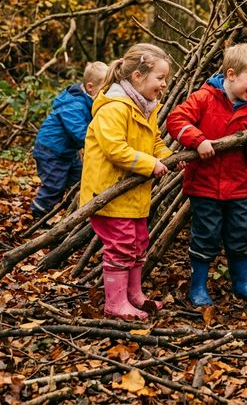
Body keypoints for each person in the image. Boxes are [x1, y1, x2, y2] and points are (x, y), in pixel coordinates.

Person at [80, 43, 181, 320]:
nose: (164, 84)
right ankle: (115, 303)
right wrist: (151, 164)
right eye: (160, 78)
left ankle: (133, 295)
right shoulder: (115, 107)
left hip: (134, 193)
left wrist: (168, 157)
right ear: (138, 76)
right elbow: (114, 149)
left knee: (138, 242)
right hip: (109, 192)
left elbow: (155, 141)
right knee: (122, 245)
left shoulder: (145, 106)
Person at [166, 43, 247, 307]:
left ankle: (241, 283)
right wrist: (198, 139)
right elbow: (175, 120)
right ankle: (198, 286)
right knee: (206, 234)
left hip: (236, 185)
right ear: (231, 75)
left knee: (240, 233)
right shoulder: (204, 98)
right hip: (204, 184)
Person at [30, 61, 108, 219]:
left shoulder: (88, 101)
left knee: (79, 180)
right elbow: (80, 133)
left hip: (68, 152)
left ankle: (76, 211)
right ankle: (37, 215)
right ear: (91, 87)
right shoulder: (73, 105)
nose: (106, 94)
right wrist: (104, 144)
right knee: (54, 186)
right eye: (104, 90)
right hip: (51, 151)